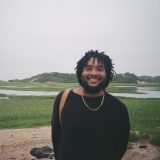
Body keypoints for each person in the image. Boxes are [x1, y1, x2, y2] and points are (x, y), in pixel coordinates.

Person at [51, 50, 130, 160]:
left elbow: (120, 147)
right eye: (88, 68)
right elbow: (56, 138)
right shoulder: (63, 98)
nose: (94, 73)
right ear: (80, 72)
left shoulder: (118, 108)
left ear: (107, 73)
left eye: (100, 69)